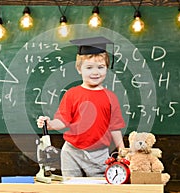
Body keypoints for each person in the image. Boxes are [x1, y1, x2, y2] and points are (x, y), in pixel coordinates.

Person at [37, 36, 125, 177]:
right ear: (79, 69)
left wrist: (122, 149)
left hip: (99, 154)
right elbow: (63, 120)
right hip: (72, 152)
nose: (95, 72)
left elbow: (115, 127)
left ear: (107, 68)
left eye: (100, 67)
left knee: (100, 188)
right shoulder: (72, 94)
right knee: (71, 188)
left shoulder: (111, 97)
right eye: (89, 67)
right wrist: (50, 124)